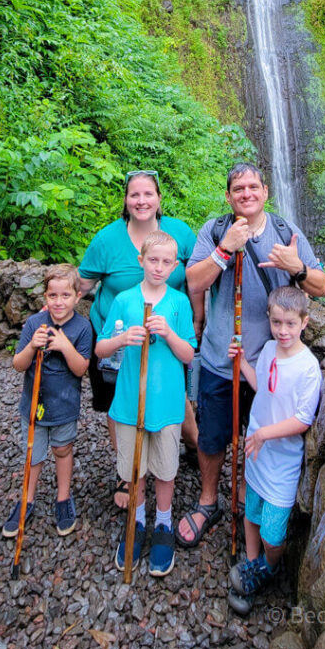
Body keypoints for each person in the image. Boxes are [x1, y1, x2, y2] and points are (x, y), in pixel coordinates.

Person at [177, 162, 325, 548]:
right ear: (228, 196)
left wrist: (297, 268)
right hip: (219, 360)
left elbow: (321, 286)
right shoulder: (213, 231)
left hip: (268, 365)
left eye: (253, 187)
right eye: (238, 188)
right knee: (211, 437)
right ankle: (209, 501)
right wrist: (226, 249)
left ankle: (248, 499)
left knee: (257, 436)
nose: (246, 193)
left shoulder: (286, 232)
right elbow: (193, 281)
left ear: (265, 191)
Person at [78, 169, 201, 508]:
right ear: (126, 200)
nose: (142, 201)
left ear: (159, 198)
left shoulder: (180, 233)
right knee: (118, 402)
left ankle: (190, 447)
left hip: (167, 335)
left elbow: (197, 278)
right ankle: (127, 470)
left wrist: (200, 317)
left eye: (148, 194)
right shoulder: (107, 240)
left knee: (177, 398)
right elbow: (83, 285)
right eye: (135, 194)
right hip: (116, 335)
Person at [96, 231, 196, 577]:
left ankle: (164, 524)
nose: (159, 267)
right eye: (153, 260)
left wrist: (169, 333)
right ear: (141, 261)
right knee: (134, 467)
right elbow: (101, 349)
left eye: (167, 262)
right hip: (129, 403)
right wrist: (123, 339)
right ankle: (136, 522)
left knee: (166, 469)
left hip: (167, 404)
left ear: (175, 266)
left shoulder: (179, 303)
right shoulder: (124, 300)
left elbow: (189, 354)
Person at [227, 285, 321, 614]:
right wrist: (241, 362)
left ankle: (269, 567)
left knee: (272, 531)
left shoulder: (308, 367)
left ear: (304, 323)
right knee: (251, 513)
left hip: (281, 460)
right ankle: (253, 566)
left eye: (290, 324)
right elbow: (260, 386)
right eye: (277, 322)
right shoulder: (267, 350)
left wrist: (265, 433)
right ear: (269, 318)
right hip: (258, 451)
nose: (283, 331)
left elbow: (302, 419)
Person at [3, 264, 92, 538]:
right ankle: (26, 500)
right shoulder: (34, 324)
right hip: (33, 407)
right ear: (45, 297)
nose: (59, 301)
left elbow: (81, 369)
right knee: (33, 454)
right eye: (53, 295)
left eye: (65, 295)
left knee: (62, 450)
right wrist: (32, 346)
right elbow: (18, 365)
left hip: (65, 406)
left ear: (78, 297)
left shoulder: (82, 328)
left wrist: (65, 346)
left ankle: (63, 498)